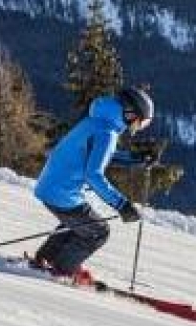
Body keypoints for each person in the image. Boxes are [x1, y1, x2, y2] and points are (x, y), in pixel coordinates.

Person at [30, 87, 158, 283]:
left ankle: (45, 258)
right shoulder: (107, 133)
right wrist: (122, 205)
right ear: (130, 113)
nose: (138, 128)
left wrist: (133, 159)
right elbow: (93, 175)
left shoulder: (97, 121)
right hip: (62, 192)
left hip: (51, 185)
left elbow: (96, 155)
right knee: (98, 232)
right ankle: (62, 269)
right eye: (142, 122)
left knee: (79, 224)